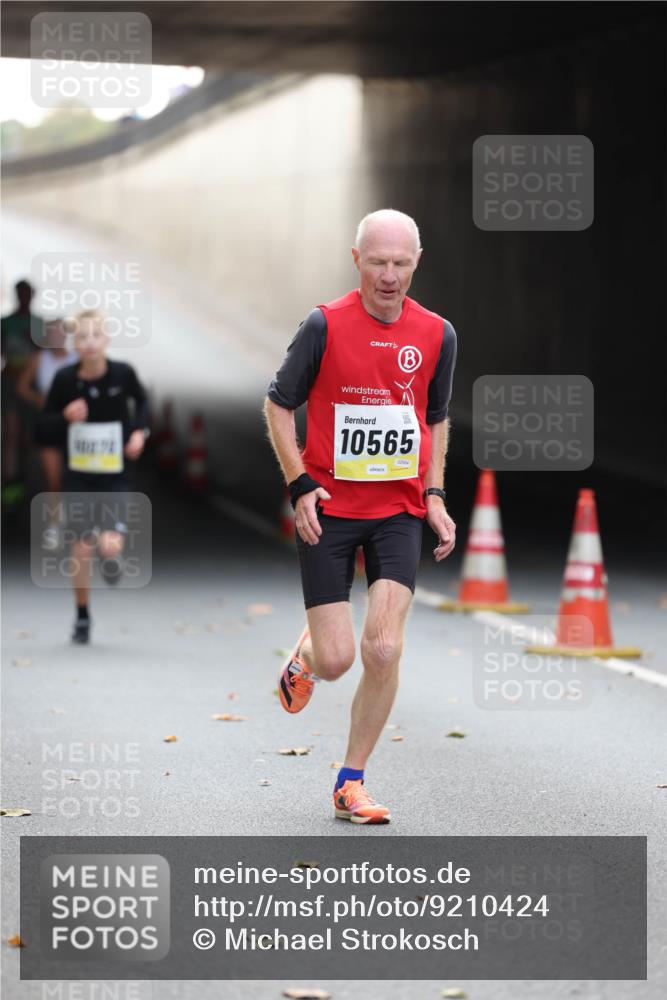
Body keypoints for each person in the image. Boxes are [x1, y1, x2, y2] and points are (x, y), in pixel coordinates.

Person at [264, 209, 457, 824]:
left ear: (417, 263)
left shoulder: (437, 334)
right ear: (357, 261)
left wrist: (434, 496)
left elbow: (435, 418)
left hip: (398, 509)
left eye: (401, 263)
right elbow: (277, 405)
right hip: (329, 508)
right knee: (338, 659)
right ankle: (308, 654)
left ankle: (351, 782)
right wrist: (299, 483)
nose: (389, 276)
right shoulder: (324, 324)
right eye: (378, 262)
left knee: (384, 646)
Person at [37, 310, 150, 644]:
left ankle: (110, 557)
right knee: (82, 546)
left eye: (95, 335)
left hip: (116, 475)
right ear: (75, 343)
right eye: (82, 337)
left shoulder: (123, 374)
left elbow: (142, 402)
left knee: (110, 545)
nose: (89, 343)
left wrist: (140, 432)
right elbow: (42, 427)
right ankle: (82, 615)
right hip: (79, 478)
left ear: (106, 339)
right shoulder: (65, 380)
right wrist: (64, 417)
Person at [18, 319, 79, 544]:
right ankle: (55, 523)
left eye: (59, 333)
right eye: (52, 333)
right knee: (53, 478)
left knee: (76, 476)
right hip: (49, 422)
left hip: (74, 425)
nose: (56, 337)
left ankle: (77, 521)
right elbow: (22, 387)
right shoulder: (39, 358)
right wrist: (39, 398)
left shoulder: (77, 358)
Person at [1, 279, 43, 504]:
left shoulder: (38, 324)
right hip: (9, 381)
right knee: (11, 432)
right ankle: (10, 479)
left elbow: (46, 353)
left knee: (28, 435)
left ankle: (25, 478)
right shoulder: (6, 323)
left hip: (30, 385)